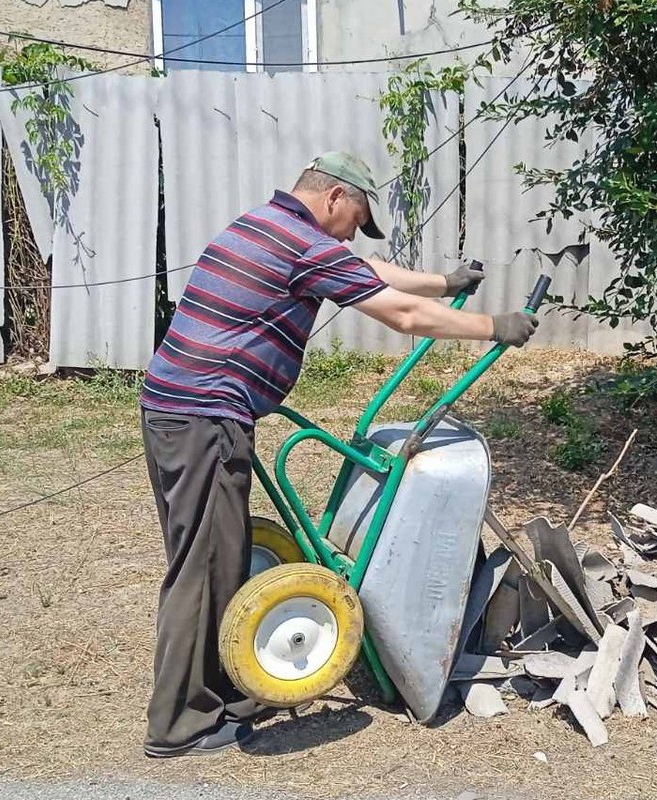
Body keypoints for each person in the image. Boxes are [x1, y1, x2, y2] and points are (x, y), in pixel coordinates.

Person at [137, 151, 539, 758]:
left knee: (219, 558)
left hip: (173, 410)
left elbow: (370, 271)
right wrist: (494, 326)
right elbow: (398, 311)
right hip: (204, 419)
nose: (354, 231)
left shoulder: (263, 226)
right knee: (201, 568)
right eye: (356, 216)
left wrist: (446, 284)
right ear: (332, 198)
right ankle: (179, 724)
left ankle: (225, 692)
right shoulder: (303, 245)